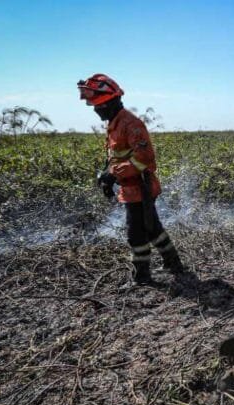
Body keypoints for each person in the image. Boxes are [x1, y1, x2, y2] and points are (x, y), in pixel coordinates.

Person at [77, 73, 184, 285]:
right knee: (152, 227)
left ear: (109, 103)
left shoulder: (131, 124)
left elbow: (145, 159)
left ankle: (141, 276)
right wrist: (107, 177)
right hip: (129, 188)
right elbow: (117, 157)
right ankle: (173, 262)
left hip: (142, 188)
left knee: (136, 234)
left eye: (98, 106)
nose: (96, 110)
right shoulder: (114, 123)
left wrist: (113, 174)